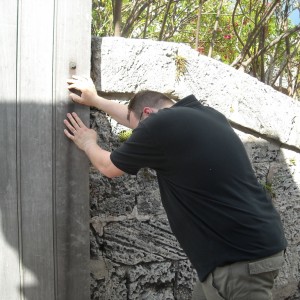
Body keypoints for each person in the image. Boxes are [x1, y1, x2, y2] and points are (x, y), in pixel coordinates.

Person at [64, 76, 287, 300]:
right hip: (244, 250)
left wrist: (87, 142)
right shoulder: (204, 115)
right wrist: (96, 100)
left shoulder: (160, 124)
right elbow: (135, 117)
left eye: (138, 130)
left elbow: (109, 166)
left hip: (239, 260)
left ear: (150, 114)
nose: (138, 136)